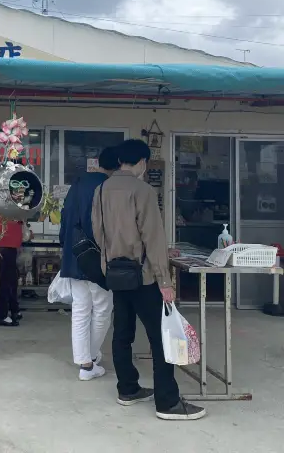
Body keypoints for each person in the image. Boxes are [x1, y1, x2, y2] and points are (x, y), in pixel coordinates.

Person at [92, 139, 206, 421]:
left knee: (122, 333)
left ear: (120, 161)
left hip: (116, 273)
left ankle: (127, 389)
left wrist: (110, 261)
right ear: (142, 162)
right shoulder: (142, 190)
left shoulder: (101, 189)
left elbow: (97, 232)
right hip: (143, 276)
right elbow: (152, 237)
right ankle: (167, 402)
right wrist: (165, 280)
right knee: (161, 338)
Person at [59, 147, 119, 380]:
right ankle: (90, 359)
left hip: (75, 254)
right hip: (99, 257)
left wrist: (66, 247)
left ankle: (85, 362)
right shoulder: (109, 187)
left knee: (81, 309)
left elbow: (65, 218)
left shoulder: (78, 183)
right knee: (103, 309)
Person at [0, 209, 28, 327]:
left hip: (8, 243)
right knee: (6, 281)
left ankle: (14, 309)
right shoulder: (5, 205)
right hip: (5, 242)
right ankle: (1, 315)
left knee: (12, 279)